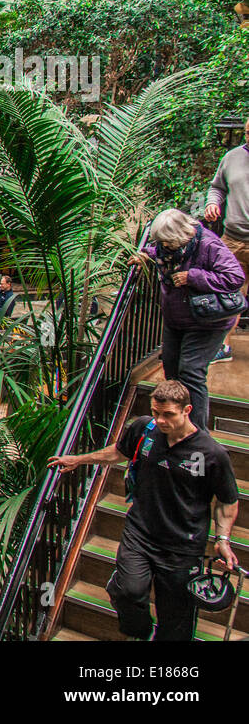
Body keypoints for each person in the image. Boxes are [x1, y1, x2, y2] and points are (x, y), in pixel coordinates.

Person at [48, 379, 239, 640]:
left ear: (187, 410)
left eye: (168, 414)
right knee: (127, 591)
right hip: (140, 533)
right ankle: (142, 632)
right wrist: (78, 459)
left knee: (175, 622)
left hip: (183, 546)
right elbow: (117, 452)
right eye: (156, 412)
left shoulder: (211, 454)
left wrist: (223, 540)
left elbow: (228, 501)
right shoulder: (144, 429)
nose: (160, 420)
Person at [128, 208, 244, 431]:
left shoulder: (208, 244)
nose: (163, 246)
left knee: (191, 371)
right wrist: (145, 254)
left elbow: (234, 277)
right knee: (171, 368)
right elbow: (160, 252)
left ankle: (196, 432)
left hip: (207, 322)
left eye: (167, 242)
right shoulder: (168, 248)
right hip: (177, 318)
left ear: (180, 235)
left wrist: (193, 277)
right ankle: (174, 420)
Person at [203, 116, 249, 362]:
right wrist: (213, 202)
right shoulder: (232, 157)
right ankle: (224, 347)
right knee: (228, 293)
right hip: (233, 239)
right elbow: (217, 187)